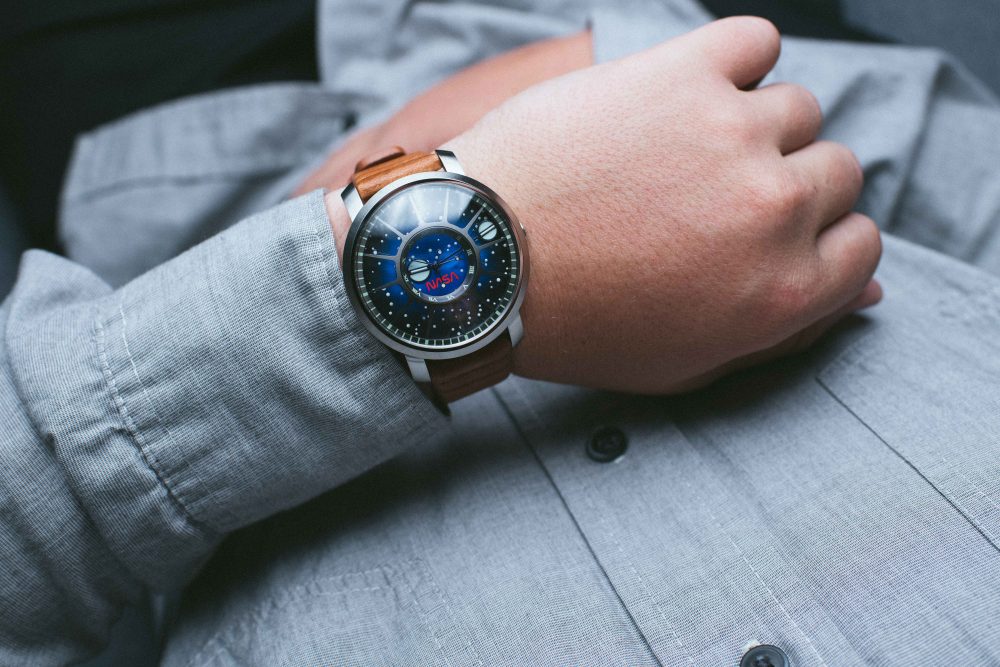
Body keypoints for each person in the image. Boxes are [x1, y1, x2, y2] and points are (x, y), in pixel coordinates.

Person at [3, 1, 1000, 665]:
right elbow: (948, 153)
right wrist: (608, 59)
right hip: (646, 60)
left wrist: (344, 250)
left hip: (202, 147)